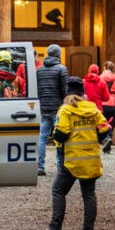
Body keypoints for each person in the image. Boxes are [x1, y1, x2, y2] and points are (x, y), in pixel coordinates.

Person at [37, 77, 110, 230]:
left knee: (58, 190)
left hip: (71, 160)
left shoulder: (66, 110)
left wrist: (54, 135)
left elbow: (61, 134)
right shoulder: (93, 109)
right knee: (89, 194)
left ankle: (55, 228)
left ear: (67, 93)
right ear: (82, 93)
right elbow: (104, 129)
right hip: (90, 159)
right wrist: (95, 137)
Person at [36, 44, 69, 176]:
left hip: (43, 108)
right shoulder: (62, 69)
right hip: (58, 109)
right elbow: (65, 90)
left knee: (42, 137)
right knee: (60, 137)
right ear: (58, 55)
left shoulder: (39, 70)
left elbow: (37, 90)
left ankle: (40, 166)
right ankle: (61, 167)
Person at [98, 61, 115, 153]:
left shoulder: (100, 77)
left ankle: (104, 140)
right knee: (112, 124)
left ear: (104, 67)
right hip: (113, 104)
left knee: (102, 123)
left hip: (103, 104)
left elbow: (98, 90)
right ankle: (108, 138)